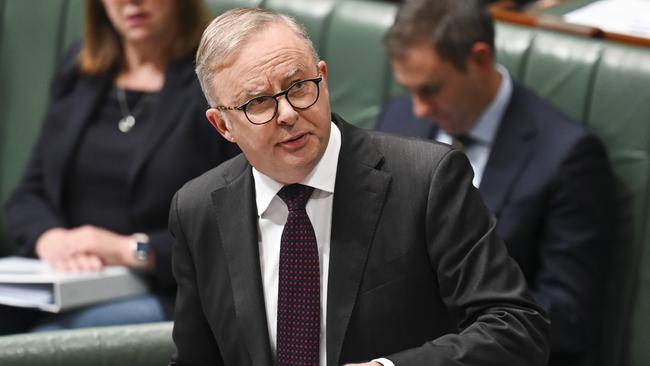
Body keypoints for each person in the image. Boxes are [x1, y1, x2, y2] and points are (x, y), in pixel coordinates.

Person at [169, 7, 549, 366]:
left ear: (323, 76)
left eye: (299, 86)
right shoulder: (198, 209)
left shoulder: (427, 179)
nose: (288, 114)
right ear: (223, 125)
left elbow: (515, 328)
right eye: (258, 103)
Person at [376, 0, 614, 365]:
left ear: (480, 60)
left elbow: (567, 315)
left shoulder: (567, 157)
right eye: (410, 91)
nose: (419, 109)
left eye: (431, 89)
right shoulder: (397, 120)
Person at [1, 0, 238, 333]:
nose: (131, 2)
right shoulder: (80, 69)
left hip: (167, 289)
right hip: (65, 277)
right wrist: (52, 240)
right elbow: (30, 192)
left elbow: (232, 226)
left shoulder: (216, 81)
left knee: (56, 337)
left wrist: (126, 250)